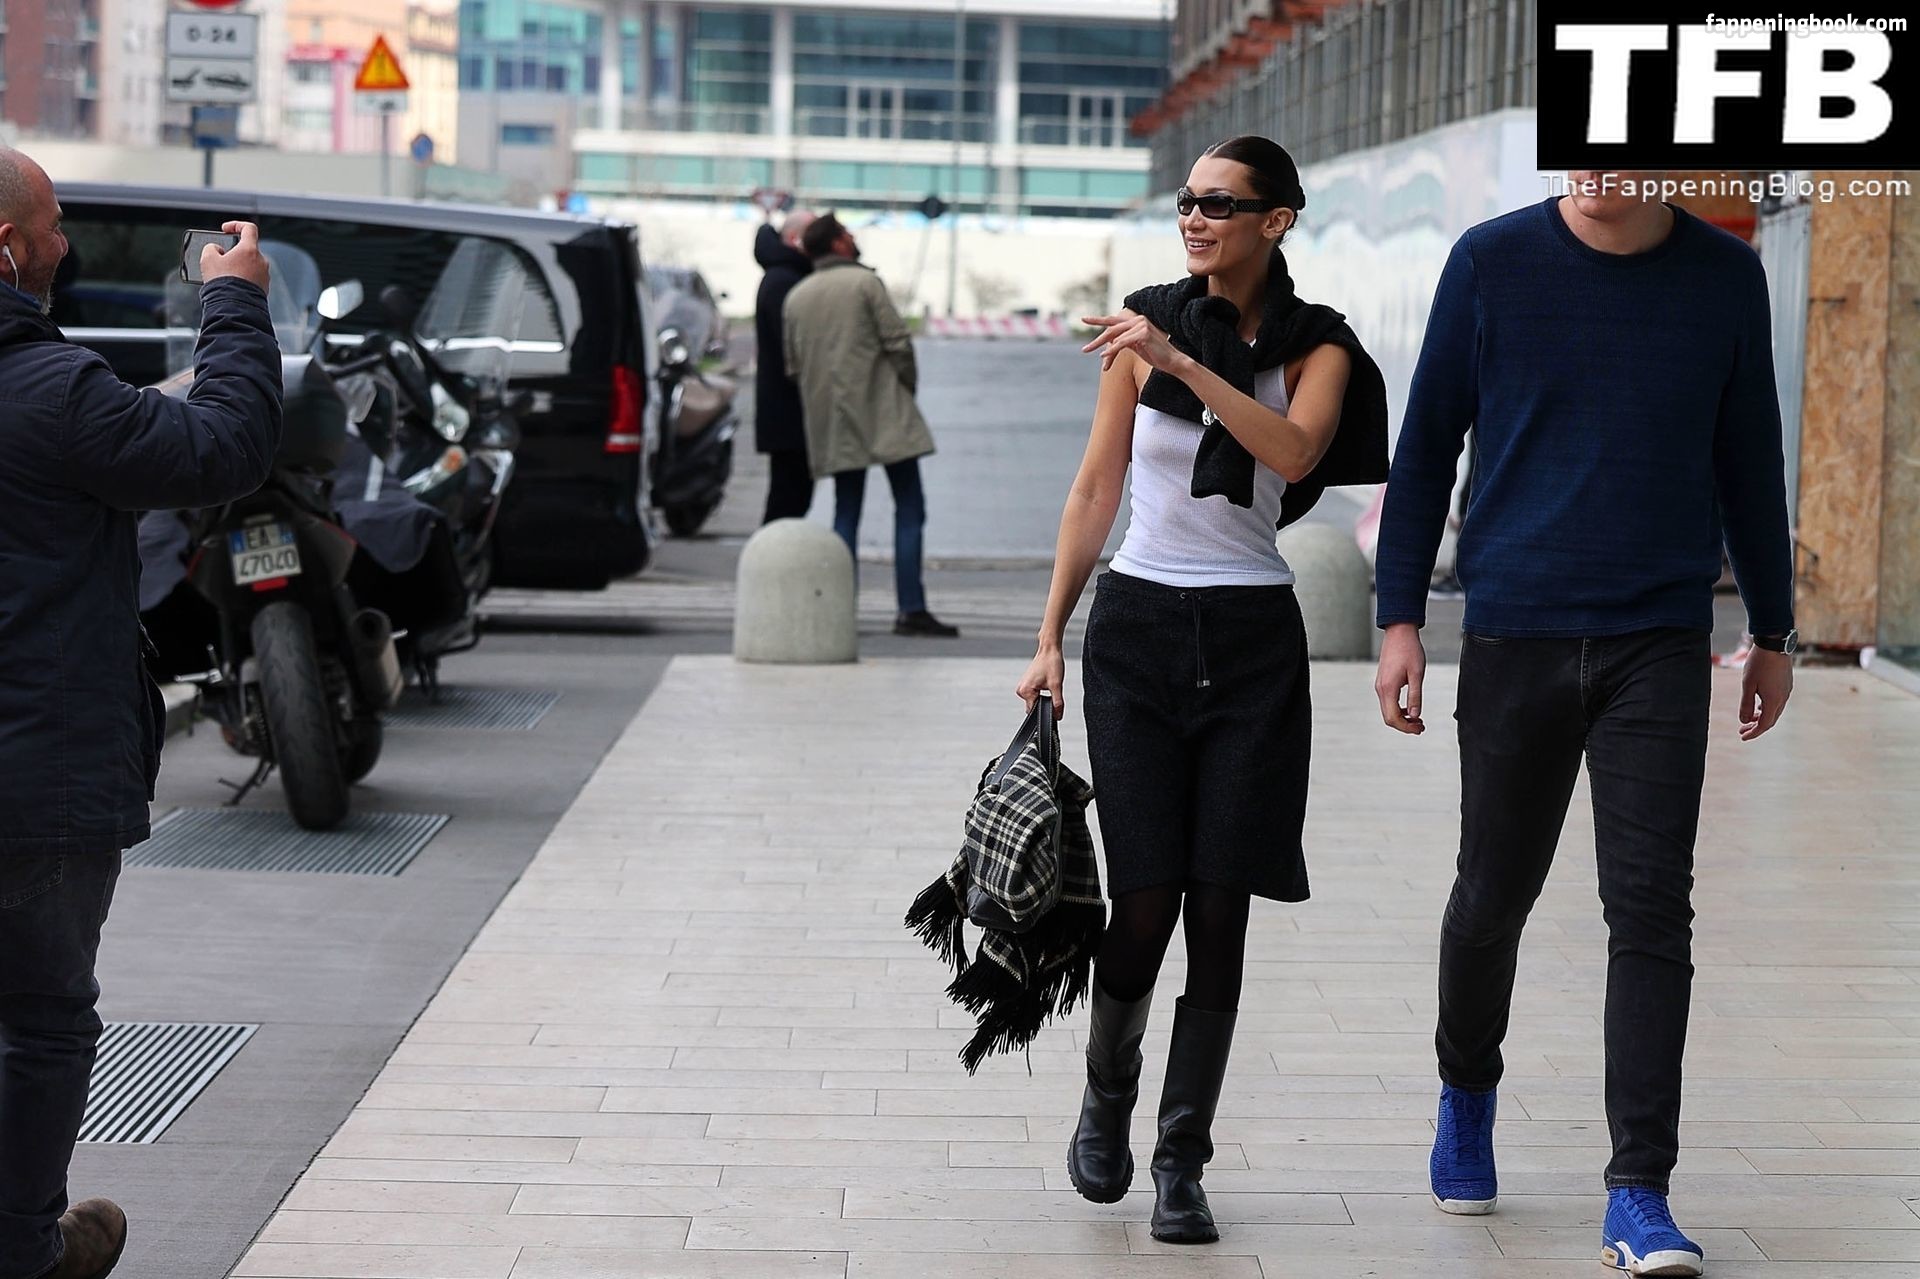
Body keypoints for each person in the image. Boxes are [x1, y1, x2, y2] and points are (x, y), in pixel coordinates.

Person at [1371, 171, 1796, 1278]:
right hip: (1515, 628)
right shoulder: (1490, 261)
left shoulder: (1725, 276)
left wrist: (1774, 627)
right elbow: (1427, 444)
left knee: (1651, 905)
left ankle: (1639, 1190)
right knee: (1491, 895)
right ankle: (1467, 1092)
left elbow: (1749, 454)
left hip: (1660, 635)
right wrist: (1399, 617)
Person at [1019, 136, 1386, 1245]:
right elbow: (1097, 487)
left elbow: (1291, 451)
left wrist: (1183, 364)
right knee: (1144, 905)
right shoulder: (1142, 327)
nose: (1194, 217)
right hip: (1136, 632)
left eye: (1219, 203)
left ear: (1276, 221)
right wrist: (1050, 636)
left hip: (1252, 643)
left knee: (1221, 909)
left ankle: (1183, 1157)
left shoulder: (1319, 348)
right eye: (1187, 200)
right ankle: (1109, 1090)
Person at [0, 148, 284, 1279]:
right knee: (42, 1018)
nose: (64, 243)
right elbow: (224, 446)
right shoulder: (54, 392)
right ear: (8, 251)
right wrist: (235, 301)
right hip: (36, 779)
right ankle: (22, 1248)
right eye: (53, 225)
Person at [782, 213, 959, 638]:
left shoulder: (797, 296)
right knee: (909, 506)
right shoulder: (865, 283)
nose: (853, 238)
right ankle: (911, 608)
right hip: (883, 408)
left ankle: (842, 610)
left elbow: (793, 366)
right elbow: (897, 342)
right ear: (836, 244)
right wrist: (904, 388)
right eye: (846, 233)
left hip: (833, 417)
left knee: (846, 510)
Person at [752, 207, 817, 523]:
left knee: (792, 497)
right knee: (787, 501)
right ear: (793, 239)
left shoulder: (787, 275)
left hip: (788, 412)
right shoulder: (784, 280)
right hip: (788, 413)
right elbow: (793, 347)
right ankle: (770, 553)